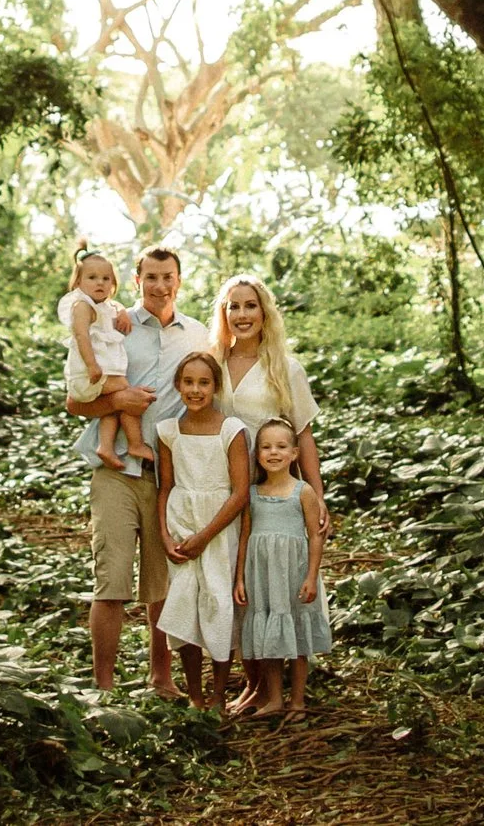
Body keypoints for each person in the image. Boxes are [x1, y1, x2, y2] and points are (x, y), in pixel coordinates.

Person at [64, 246, 206, 695]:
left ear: (179, 280)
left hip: (171, 476)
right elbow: (75, 403)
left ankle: (161, 677)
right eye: (151, 277)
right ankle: (103, 688)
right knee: (112, 579)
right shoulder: (114, 323)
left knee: (162, 582)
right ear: (136, 280)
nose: (160, 286)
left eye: (168, 277)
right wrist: (118, 401)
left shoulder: (199, 336)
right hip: (118, 470)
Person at [154, 351, 249, 711]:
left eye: (204, 383)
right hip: (181, 524)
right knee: (185, 607)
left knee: (219, 604)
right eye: (188, 382)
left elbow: (240, 492)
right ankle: (195, 695)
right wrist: (166, 536)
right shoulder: (168, 431)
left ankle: (219, 695)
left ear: (215, 387)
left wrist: (206, 535)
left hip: (218, 528)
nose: (195, 390)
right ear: (178, 386)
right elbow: (165, 487)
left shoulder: (231, 430)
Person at [233, 417, 331, 719]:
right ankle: (274, 699)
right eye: (266, 447)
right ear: (257, 454)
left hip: (294, 574)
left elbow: (315, 536)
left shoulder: (303, 491)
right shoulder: (252, 493)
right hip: (261, 575)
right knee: (269, 634)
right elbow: (245, 535)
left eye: (281, 446)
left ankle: (297, 702)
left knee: (297, 634)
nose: (273, 452)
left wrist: (311, 576)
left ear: (294, 453)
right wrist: (240, 578)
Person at [212, 274, 326, 502]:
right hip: (216, 487)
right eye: (234, 307)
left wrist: (318, 498)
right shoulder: (212, 365)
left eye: (251, 306)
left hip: (268, 490)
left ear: (264, 312)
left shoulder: (286, 369)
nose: (242, 315)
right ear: (224, 314)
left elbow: (303, 435)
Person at [59, 251, 147, 469]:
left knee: (114, 402)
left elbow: (113, 305)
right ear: (78, 282)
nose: (100, 282)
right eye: (92, 277)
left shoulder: (103, 306)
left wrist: (122, 311)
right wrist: (92, 365)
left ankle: (105, 447)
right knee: (126, 393)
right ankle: (135, 443)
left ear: (113, 283)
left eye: (106, 278)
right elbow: (81, 336)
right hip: (88, 375)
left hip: (95, 374)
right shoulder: (81, 306)